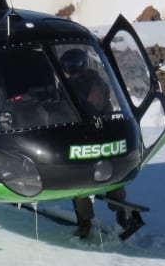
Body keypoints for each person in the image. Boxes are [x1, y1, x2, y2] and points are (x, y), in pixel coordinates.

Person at [59, 47, 138, 237]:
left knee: (89, 179)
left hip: (95, 134)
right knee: (94, 178)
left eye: (73, 68)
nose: (72, 72)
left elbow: (91, 108)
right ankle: (99, 217)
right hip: (88, 133)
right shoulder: (73, 84)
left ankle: (112, 215)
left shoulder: (94, 84)